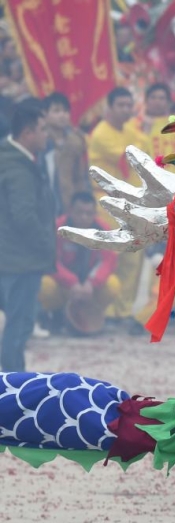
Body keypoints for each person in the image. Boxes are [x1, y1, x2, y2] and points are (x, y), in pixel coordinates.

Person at [88, 87, 151, 332]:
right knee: (112, 257)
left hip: (133, 204)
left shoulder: (130, 131)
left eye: (129, 105)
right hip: (107, 203)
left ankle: (123, 311)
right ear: (110, 107)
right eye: (121, 105)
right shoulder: (101, 134)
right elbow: (131, 158)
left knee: (133, 259)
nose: (126, 109)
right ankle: (107, 312)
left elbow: (146, 156)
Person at [0, 102, 55, 371]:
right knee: (18, 326)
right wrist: (46, 245)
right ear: (27, 133)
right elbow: (24, 216)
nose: (48, 135)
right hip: (19, 259)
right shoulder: (17, 166)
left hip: (11, 256)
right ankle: (12, 385)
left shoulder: (9, 156)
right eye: (43, 129)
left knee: (16, 323)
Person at [38, 192, 119, 335]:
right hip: (65, 286)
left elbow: (108, 261)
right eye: (79, 212)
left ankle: (90, 314)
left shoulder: (103, 230)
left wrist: (92, 283)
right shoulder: (57, 227)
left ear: (95, 213)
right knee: (44, 285)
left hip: (90, 288)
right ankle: (56, 314)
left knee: (113, 284)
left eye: (89, 213)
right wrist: (72, 282)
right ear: (70, 211)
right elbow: (51, 261)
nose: (84, 217)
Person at [41, 92, 89, 214]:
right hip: (47, 202)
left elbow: (81, 177)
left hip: (70, 203)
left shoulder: (76, 141)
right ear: (45, 114)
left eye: (65, 111)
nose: (62, 115)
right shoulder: (40, 140)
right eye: (56, 111)